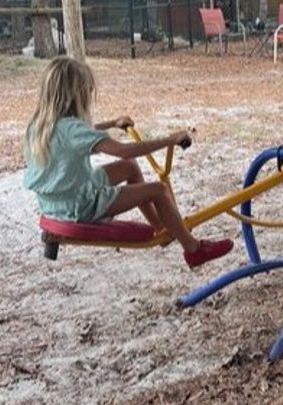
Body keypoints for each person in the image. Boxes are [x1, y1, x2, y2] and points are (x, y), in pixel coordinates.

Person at [23, 56, 233, 269]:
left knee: (130, 167)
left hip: (57, 202)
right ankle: (193, 249)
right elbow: (123, 151)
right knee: (158, 190)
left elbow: (79, 134)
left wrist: (113, 123)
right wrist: (170, 140)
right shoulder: (72, 130)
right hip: (80, 206)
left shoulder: (41, 124)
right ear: (77, 96)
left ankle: (161, 226)